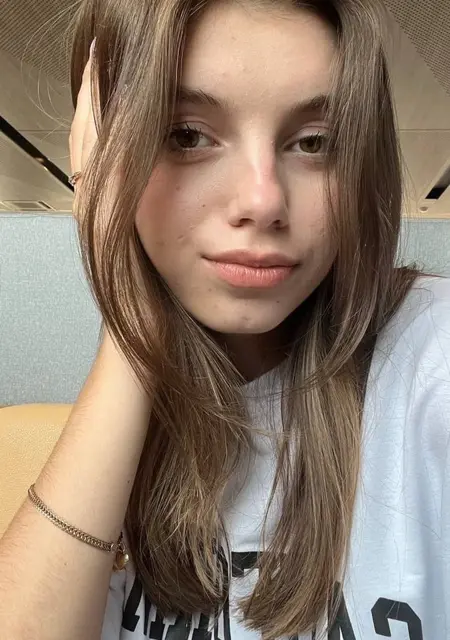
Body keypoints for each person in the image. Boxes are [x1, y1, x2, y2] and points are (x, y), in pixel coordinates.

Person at [0, 0, 449, 638]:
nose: (263, 200)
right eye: (186, 135)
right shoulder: (121, 433)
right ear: (106, 162)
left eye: (315, 142)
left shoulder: (433, 357)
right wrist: (129, 318)